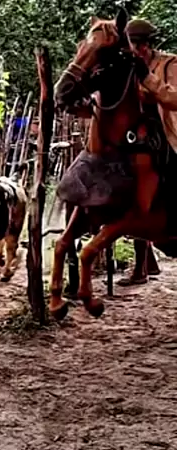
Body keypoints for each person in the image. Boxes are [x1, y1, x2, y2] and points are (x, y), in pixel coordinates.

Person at [117, 19, 177, 286]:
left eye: (136, 46)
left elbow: (174, 98)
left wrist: (147, 77)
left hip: (169, 135)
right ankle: (143, 261)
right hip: (137, 137)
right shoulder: (125, 66)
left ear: (146, 45)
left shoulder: (170, 64)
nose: (133, 51)